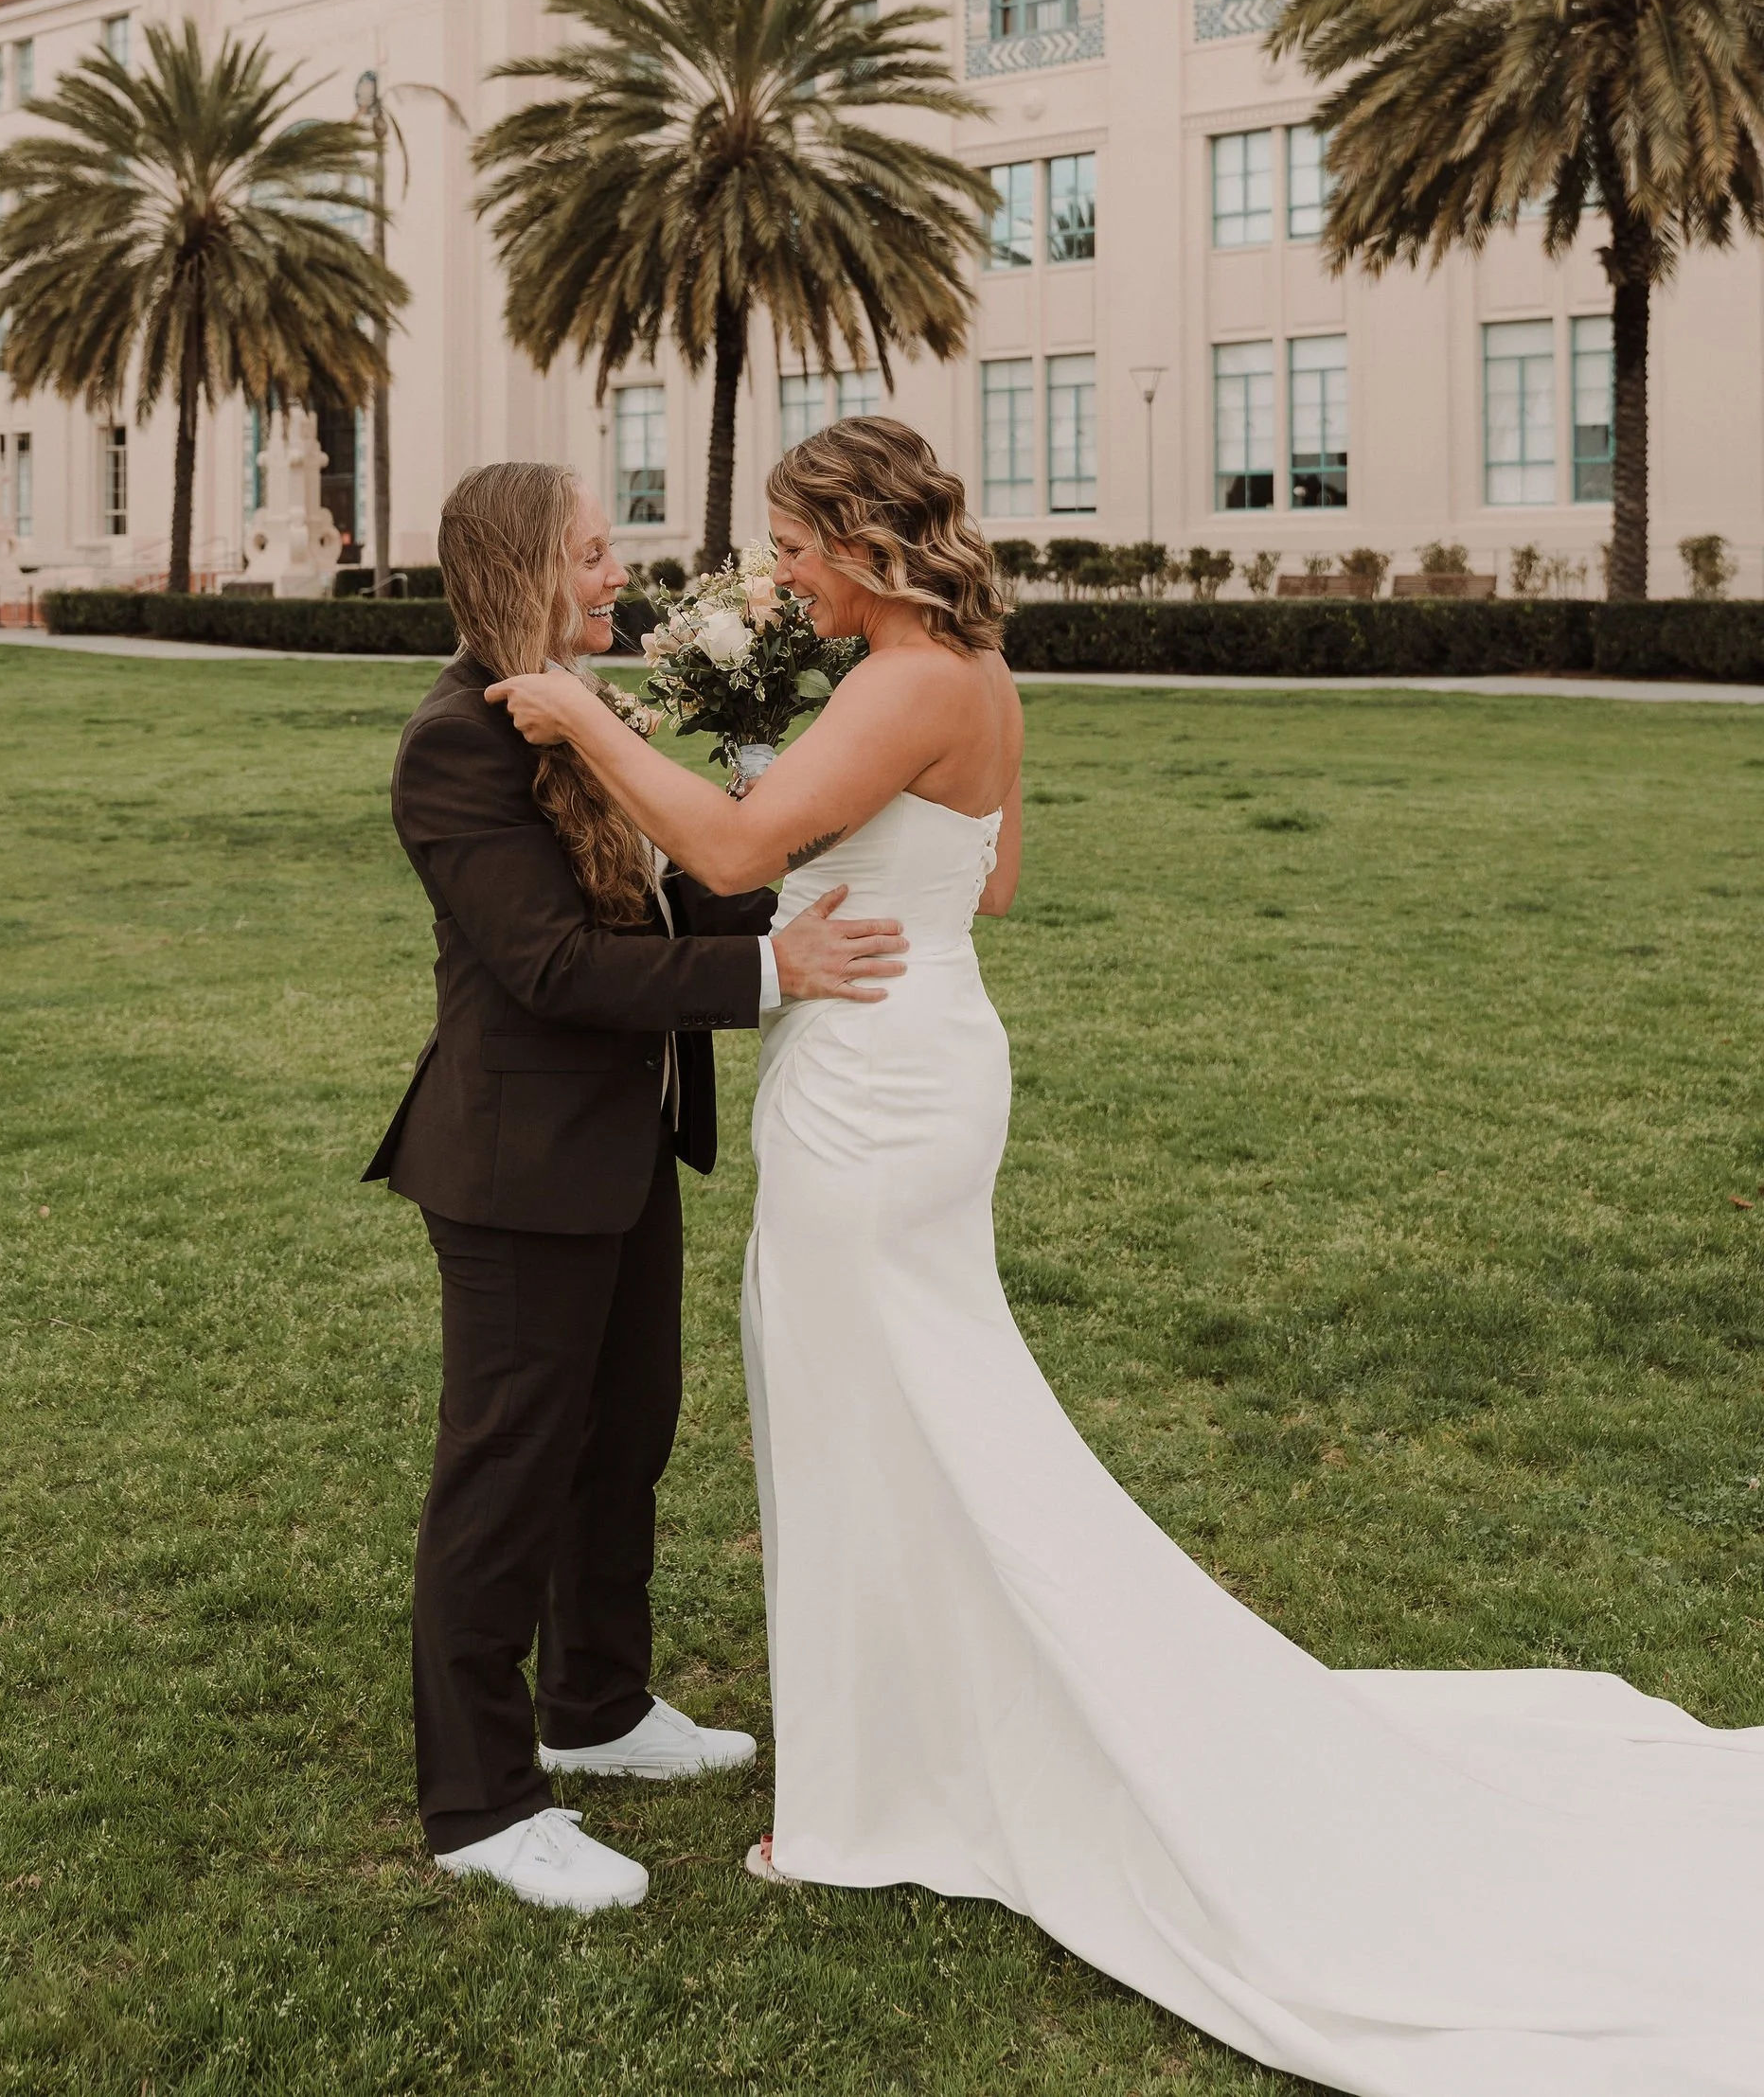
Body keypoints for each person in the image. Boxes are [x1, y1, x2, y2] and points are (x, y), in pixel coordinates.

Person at [488, 416, 1764, 2097]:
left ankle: (869, 1799)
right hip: (929, 1042)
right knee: (912, 1408)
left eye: (795, 540)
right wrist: (811, 817)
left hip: (873, 1089)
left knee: (863, 1418)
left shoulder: (905, 681)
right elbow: (992, 877)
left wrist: (584, 714)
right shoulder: (974, 671)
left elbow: (732, 858)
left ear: (863, 533)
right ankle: (899, 1747)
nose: (778, 571)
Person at [365, 460, 908, 1915]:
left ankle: (595, 1706)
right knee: (506, 1472)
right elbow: (552, 966)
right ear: (525, 566)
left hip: (619, 1151)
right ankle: (481, 1802)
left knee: (627, 1437)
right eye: (594, 552)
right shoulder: (455, 746)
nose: (619, 574)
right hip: (514, 1172)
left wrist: (781, 854)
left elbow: (674, 887)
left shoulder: (591, 712)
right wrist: (768, 971)